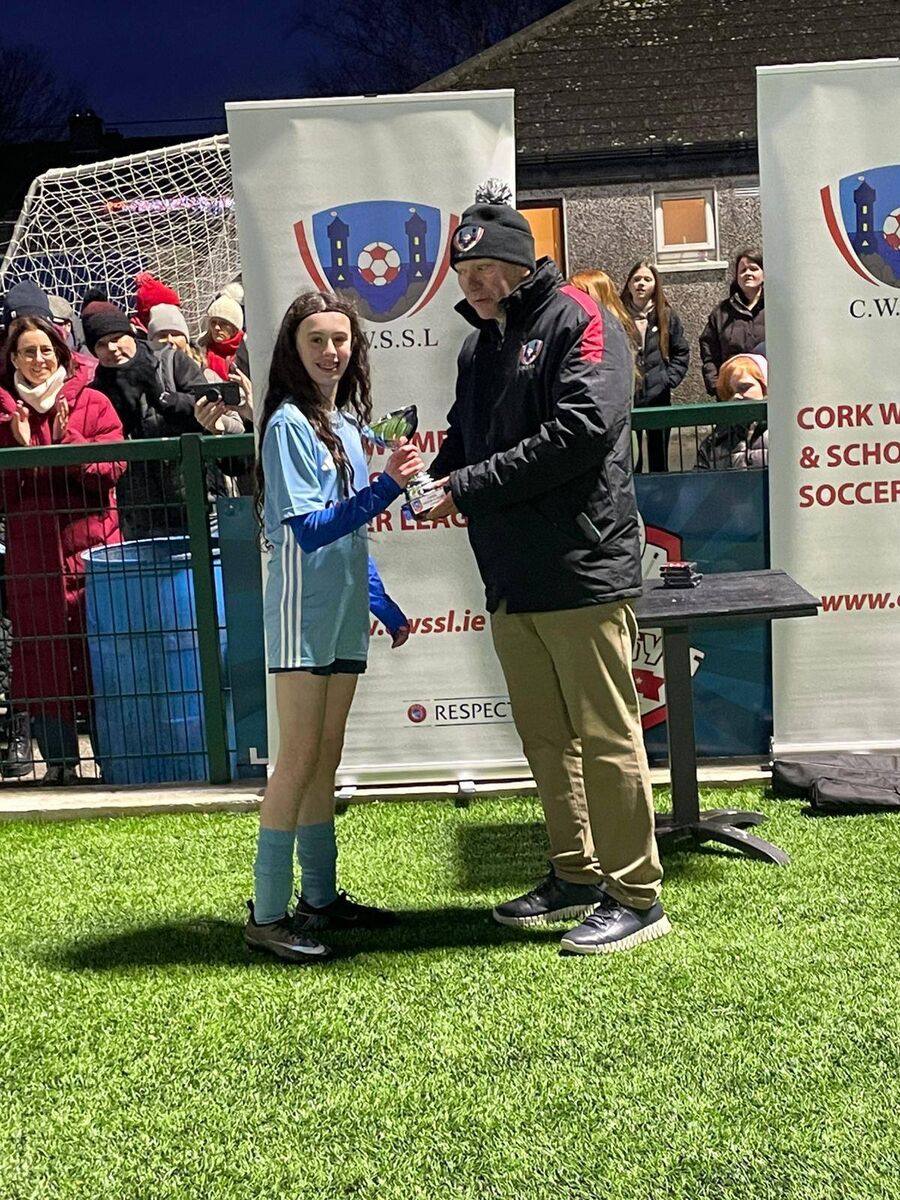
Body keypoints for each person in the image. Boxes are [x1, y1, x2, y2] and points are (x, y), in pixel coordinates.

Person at [426, 183, 669, 957]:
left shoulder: (581, 317)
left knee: (605, 734)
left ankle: (637, 894)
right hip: (509, 570)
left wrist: (461, 486)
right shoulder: (478, 346)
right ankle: (575, 870)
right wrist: (427, 476)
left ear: (518, 261)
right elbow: (467, 444)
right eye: (463, 274)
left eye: (484, 268)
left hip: (582, 565)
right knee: (545, 737)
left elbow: (581, 432)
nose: (473, 283)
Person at [245, 290, 423, 963]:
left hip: (343, 613)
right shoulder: (288, 425)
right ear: (294, 349)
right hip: (303, 614)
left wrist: (385, 607)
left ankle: (319, 898)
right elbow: (315, 531)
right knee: (296, 759)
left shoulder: (345, 423)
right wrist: (388, 489)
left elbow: (350, 541)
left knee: (325, 755)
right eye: (316, 340)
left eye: (340, 340)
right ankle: (266, 915)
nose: (330, 351)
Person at [0, 316, 124, 783]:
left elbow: (112, 468)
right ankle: (58, 766)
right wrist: (20, 450)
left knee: (99, 656)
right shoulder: (5, 414)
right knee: (43, 660)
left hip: (92, 554)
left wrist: (66, 439)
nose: (38, 360)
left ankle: (114, 759)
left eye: (46, 351)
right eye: (27, 352)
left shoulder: (92, 403)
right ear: (13, 359)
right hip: (34, 562)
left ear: (62, 354)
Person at [84, 302, 206, 537]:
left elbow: (204, 405)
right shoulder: (97, 389)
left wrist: (164, 399)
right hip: (138, 512)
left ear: (131, 332)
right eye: (101, 344)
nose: (112, 348)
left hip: (193, 499)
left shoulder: (170, 361)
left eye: (118, 337)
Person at [620, 260, 689, 472]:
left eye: (647, 279)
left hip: (658, 397)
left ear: (655, 285)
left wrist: (668, 379)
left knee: (659, 459)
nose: (641, 284)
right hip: (628, 398)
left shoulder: (666, 315)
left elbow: (681, 351)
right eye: (636, 279)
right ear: (629, 284)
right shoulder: (618, 315)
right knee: (631, 460)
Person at [699, 248, 765, 396]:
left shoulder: (775, 309)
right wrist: (716, 385)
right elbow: (709, 351)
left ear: (764, 274)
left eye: (754, 269)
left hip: (770, 395)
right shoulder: (721, 313)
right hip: (731, 393)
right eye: (743, 270)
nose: (747, 273)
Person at [697, 353, 768, 470]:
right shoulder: (714, 442)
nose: (736, 396)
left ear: (764, 386)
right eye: (729, 392)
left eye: (744, 387)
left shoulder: (787, 435)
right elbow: (698, 484)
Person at [198, 287, 250, 381]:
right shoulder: (201, 351)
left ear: (234, 328)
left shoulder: (248, 349)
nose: (217, 328)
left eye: (224, 323)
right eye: (213, 322)